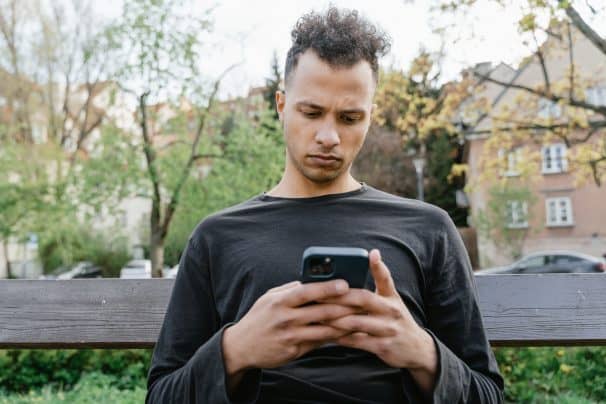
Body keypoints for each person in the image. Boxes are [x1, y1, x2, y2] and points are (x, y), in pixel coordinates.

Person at [146, 7, 503, 404]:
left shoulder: (429, 229)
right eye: (311, 112)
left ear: (370, 118)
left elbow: (488, 395)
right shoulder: (217, 237)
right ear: (281, 105)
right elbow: (162, 395)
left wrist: (424, 356)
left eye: (350, 117)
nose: (329, 135)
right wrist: (235, 351)